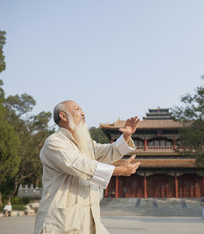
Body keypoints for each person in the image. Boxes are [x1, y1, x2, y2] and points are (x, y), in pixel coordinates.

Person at [34, 100, 141, 234]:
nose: (83, 113)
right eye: (77, 109)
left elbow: (107, 152)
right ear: (63, 116)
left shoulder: (86, 143)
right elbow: (78, 165)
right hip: (60, 222)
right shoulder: (54, 142)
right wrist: (118, 170)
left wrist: (126, 136)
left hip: (89, 219)